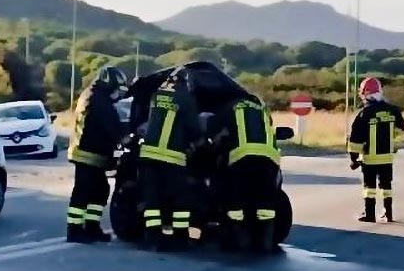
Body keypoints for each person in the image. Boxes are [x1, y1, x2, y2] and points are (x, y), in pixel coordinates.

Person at [138, 67, 202, 250]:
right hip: (172, 157)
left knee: (152, 198)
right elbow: (194, 128)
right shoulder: (185, 98)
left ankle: (152, 237)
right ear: (186, 82)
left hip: (149, 155)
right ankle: (180, 237)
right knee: (180, 198)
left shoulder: (157, 95)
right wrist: (200, 143)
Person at [66, 66, 128, 244]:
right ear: (110, 84)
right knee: (83, 193)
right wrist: (126, 138)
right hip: (88, 153)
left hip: (90, 153)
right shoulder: (98, 100)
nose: (118, 93)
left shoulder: (92, 95)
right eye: (118, 88)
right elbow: (112, 126)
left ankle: (92, 228)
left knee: (99, 191)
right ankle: (75, 230)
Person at [213, 95, 281, 252]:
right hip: (269, 159)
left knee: (237, 199)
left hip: (243, 158)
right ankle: (265, 242)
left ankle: (239, 240)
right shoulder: (262, 109)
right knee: (266, 202)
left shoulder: (231, 107)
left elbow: (214, 129)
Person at [347, 77, 404, 223]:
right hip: (387, 157)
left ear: (365, 93)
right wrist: (389, 137)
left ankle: (369, 214)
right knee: (386, 185)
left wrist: (354, 158)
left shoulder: (364, 113)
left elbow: (355, 139)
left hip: (370, 158)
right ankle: (388, 213)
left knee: (369, 187)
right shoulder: (392, 110)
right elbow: (401, 127)